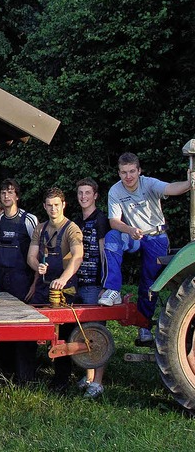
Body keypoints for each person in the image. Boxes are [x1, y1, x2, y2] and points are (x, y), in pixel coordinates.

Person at [98, 152, 191, 344]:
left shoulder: (148, 183)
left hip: (156, 236)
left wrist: (189, 183)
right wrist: (129, 229)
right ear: (119, 173)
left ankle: (144, 326)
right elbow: (114, 221)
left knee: (149, 282)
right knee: (112, 237)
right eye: (124, 172)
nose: (128, 176)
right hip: (134, 235)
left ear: (139, 171)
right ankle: (112, 289)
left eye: (132, 171)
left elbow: (171, 188)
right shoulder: (115, 191)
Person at [0, 179, 38, 382]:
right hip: (1, 279)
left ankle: (26, 376)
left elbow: (37, 253)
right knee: (2, 326)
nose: (6, 196)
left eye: (10, 192)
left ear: (17, 196)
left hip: (22, 278)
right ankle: (4, 373)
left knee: (22, 327)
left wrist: (35, 282)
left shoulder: (29, 220)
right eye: (3, 192)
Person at [27, 187, 84, 390]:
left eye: (57, 205)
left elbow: (77, 256)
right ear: (44, 206)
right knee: (30, 330)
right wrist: (37, 266)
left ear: (63, 205)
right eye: (49, 205)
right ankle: (27, 375)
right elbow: (31, 256)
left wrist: (63, 278)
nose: (53, 209)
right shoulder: (40, 229)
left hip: (65, 289)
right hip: (43, 287)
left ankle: (61, 380)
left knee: (64, 335)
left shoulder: (72, 229)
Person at [73, 178, 110, 398]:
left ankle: (98, 381)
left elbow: (105, 254)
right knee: (83, 332)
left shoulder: (101, 220)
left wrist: (106, 285)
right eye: (80, 193)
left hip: (95, 284)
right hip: (79, 282)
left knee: (97, 333)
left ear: (95, 195)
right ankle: (88, 376)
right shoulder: (77, 220)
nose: (84, 197)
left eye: (88, 193)